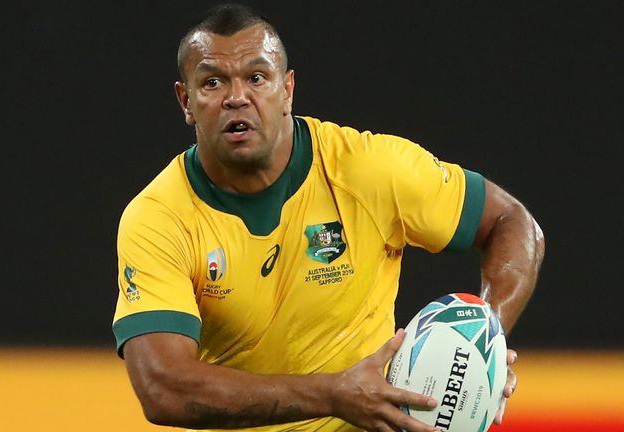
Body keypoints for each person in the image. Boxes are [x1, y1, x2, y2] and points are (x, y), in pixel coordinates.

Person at [112, 4, 544, 432]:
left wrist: (483, 342)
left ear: (288, 90)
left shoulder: (367, 170)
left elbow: (511, 222)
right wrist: (334, 394)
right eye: (212, 83)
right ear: (185, 101)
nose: (237, 97)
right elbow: (162, 388)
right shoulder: (159, 219)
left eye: (257, 77)